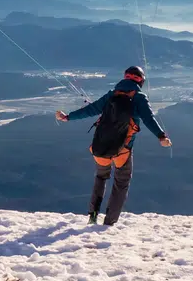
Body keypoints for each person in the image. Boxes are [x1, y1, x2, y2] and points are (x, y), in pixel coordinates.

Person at [56, 65, 172, 226]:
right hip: (123, 150)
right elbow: (148, 119)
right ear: (141, 81)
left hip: (101, 146)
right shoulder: (138, 97)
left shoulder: (111, 94)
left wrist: (67, 117)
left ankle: (93, 215)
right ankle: (109, 222)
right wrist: (161, 136)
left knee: (101, 177)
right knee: (121, 183)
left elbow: (90, 110)